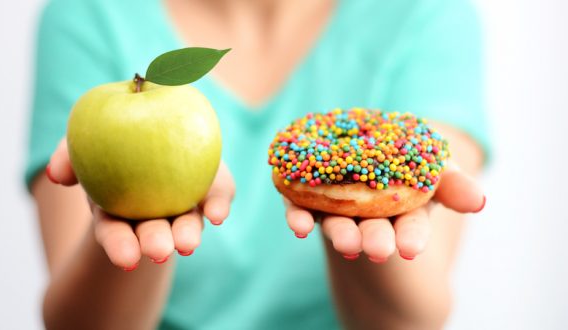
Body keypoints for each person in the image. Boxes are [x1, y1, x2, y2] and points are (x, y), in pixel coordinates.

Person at [27, 0, 488, 329]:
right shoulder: (89, 15)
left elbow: (410, 323)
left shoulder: (425, 14)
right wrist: (138, 200)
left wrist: (356, 216)